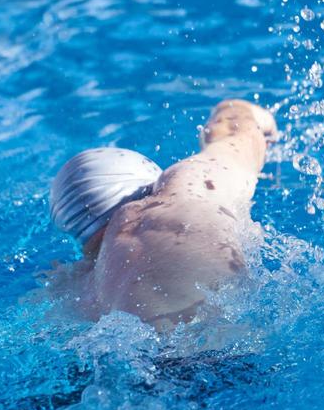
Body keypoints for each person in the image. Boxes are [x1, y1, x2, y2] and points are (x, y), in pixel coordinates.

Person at [49, 98, 277, 330]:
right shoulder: (180, 197)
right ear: (151, 188)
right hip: (228, 354)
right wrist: (241, 110)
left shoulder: (67, 291)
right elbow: (233, 133)